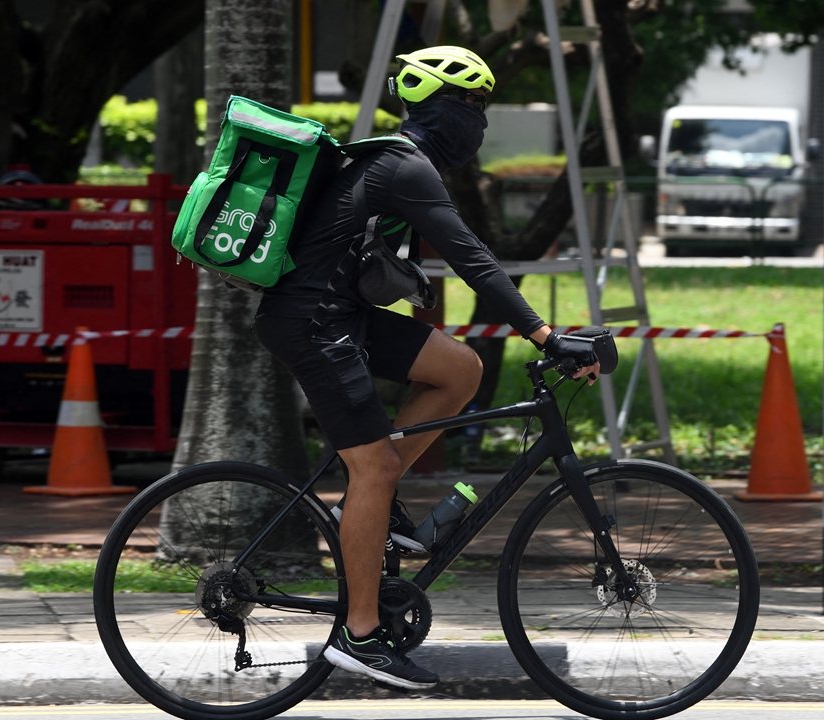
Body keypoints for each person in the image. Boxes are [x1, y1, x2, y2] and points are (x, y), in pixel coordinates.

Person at [253, 46, 600, 690]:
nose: (481, 120)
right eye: (473, 103)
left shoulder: (400, 161)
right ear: (439, 103)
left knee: (460, 370)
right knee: (374, 467)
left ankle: (377, 511)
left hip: (339, 313)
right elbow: (475, 259)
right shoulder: (404, 164)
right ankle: (360, 635)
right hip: (313, 321)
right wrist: (546, 336)